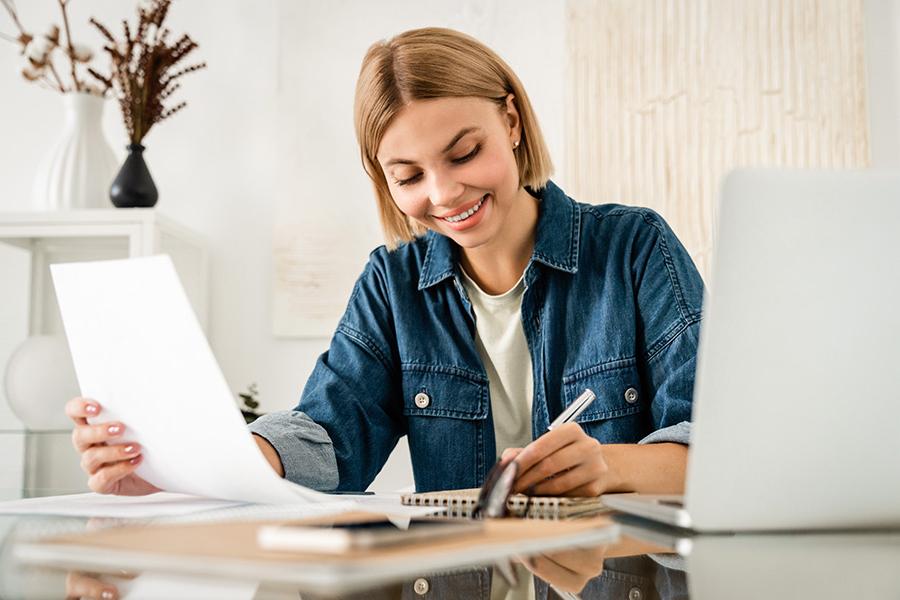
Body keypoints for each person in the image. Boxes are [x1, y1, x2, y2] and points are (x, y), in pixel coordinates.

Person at [65, 27, 703, 498]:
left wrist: (609, 467)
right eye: (409, 175)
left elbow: (714, 448)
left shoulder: (634, 249)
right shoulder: (392, 284)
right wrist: (177, 471)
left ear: (511, 121)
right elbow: (327, 438)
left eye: (464, 153)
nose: (443, 194)